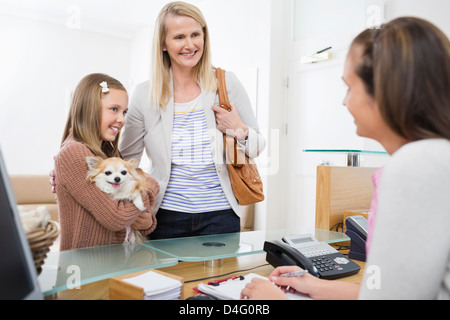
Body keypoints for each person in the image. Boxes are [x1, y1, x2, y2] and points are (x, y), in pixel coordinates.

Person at [241, 17, 450, 300]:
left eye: (349, 87)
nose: (345, 101)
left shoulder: (415, 166)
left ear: (386, 90)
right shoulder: (435, 157)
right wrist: (317, 285)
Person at [119, 1, 266, 239]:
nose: (190, 45)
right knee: (168, 278)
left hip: (221, 215)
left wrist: (239, 129)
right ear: (163, 44)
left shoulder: (226, 83)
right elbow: (127, 162)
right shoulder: (144, 95)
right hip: (165, 215)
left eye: (195, 34)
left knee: (222, 279)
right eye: (179, 37)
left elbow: (257, 146)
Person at [54, 73, 159, 250]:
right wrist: (151, 185)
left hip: (115, 262)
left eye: (124, 112)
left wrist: (147, 222)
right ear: (89, 108)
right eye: (114, 109)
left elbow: (134, 216)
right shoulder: (74, 151)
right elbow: (117, 217)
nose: (122, 119)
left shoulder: (107, 153)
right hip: (87, 268)